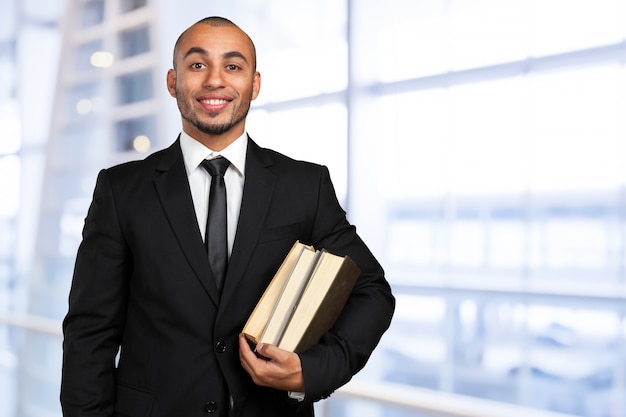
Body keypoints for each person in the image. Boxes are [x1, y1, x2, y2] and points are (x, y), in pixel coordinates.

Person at [60, 16, 394, 417]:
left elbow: (371, 290)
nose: (215, 80)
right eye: (197, 65)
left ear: (254, 84)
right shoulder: (121, 190)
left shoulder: (304, 185)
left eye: (233, 66)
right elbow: (89, 334)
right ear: (173, 81)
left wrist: (311, 371)